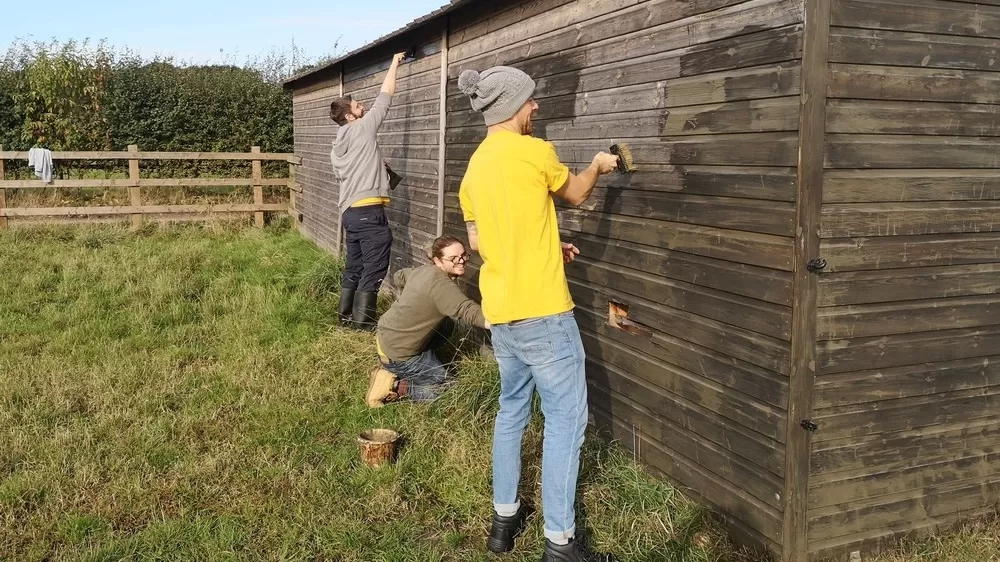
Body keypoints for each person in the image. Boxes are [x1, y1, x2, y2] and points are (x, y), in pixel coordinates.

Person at [457, 66, 620, 562]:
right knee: (566, 421)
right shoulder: (534, 152)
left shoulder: (474, 168)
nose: (536, 108)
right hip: (544, 314)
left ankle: (503, 521)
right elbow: (573, 193)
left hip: (502, 314)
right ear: (511, 106)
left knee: (511, 413)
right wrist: (597, 166)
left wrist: (547, 242)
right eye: (530, 101)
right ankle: (561, 544)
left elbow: (481, 242)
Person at [365, 235, 490, 408]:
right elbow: (466, 310)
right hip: (399, 353)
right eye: (453, 258)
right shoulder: (441, 285)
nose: (461, 261)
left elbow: (399, 276)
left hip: (387, 336)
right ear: (438, 260)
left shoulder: (424, 271)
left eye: (463, 255)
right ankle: (396, 385)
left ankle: (409, 364)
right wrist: (499, 321)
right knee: (449, 392)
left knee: (447, 325)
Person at [330, 52, 406, 331]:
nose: (363, 108)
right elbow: (385, 96)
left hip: (350, 212)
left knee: (355, 265)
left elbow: (350, 169)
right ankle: (363, 325)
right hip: (369, 211)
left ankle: (345, 319)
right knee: (374, 267)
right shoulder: (362, 128)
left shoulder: (338, 143)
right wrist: (394, 63)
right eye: (358, 106)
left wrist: (377, 163)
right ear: (350, 116)